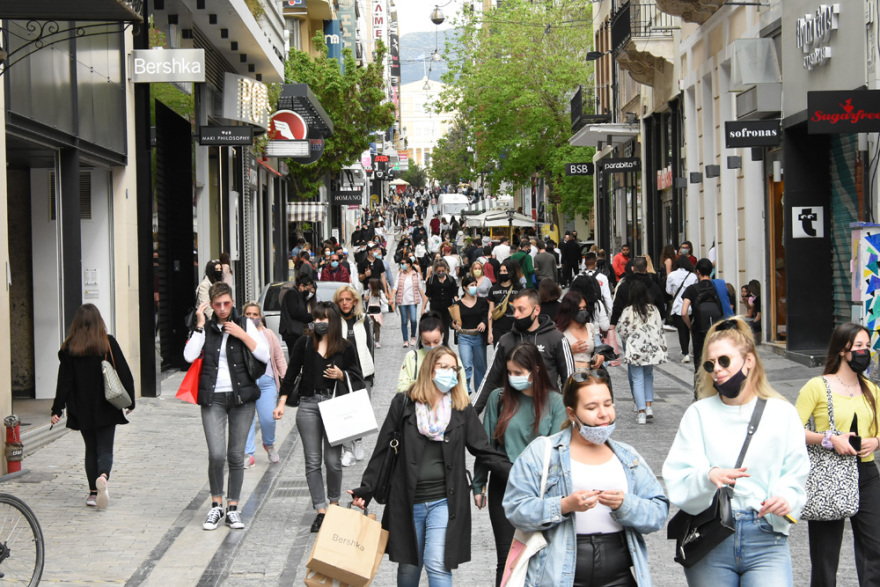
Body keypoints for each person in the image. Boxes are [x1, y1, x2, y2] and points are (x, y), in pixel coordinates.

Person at [663, 318, 809, 586]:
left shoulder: (782, 413)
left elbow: (796, 471)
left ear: (749, 360)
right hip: (711, 537)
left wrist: (785, 497)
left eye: (724, 361)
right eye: (710, 364)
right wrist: (708, 476)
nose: (716, 370)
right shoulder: (699, 414)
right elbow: (679, 476)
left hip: (766, 536)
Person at [349, 346, 511, 587]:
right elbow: (383, 450)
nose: (450, 373)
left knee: (437, 563)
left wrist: (514, 472)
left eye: (453, 368)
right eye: (443, 367)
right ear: (429, 370)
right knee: (408, 567)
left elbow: (483, 448)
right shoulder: (403, 403)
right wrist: (366, 489)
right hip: (407, 499)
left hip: (445, 500)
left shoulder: (461, 407)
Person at [503, 370, 669, 587]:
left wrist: (625, 504)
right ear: (572, 414)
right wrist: (563, 505)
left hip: (620, 573)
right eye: (591, 407)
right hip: (560, 574)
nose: (603, 414)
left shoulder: (628, 456)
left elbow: (658, 512)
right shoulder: (542, 452)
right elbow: (515, 509)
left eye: (608, 404)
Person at [473, 343, 567, 586]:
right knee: (507, 558)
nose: (512, 378)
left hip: (542, 488)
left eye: (518, 372)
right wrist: (478, 484)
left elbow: (558, 449)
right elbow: (487, 446)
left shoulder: (555, 402)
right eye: (510, 373)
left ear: (535, 370)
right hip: (504, 485)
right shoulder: (499, 398)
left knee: (541, 555)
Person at [794, 323, 880, 586]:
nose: (865, 352)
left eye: (867, 346)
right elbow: (789, 430)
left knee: (876, 547)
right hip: (828, 474)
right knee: (825, 556)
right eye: (859, 347)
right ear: (843, 350)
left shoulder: (871, 389)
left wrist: (875, 441)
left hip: (866, 474)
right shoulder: (817, 386)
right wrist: (828, 439)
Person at [183, 282, 270, 531]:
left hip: (242, 399)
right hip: (213, 398)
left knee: (235, 455)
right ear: (210, 305)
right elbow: (189, 356)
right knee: (216, 454)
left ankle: (232, 508)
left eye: (227, 303)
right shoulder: (206, 329)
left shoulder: (244, 324)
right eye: (217, 304)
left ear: (233, 302)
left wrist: (242, 334)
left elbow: (263, 355)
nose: (222, 309)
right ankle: (215, 506)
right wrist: (200, 324)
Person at [273, 302, 363, 533]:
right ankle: (321, 510)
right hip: (308, 405)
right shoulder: (304, 344)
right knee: (312, 461)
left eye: (325, 319)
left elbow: (358, 378)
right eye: (317, 319)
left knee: (333, 462)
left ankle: (334, 505)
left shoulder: (344, 347)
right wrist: (282, 402)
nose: (321, 323)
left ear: (333, 321)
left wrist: (341, 374)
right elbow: (291, 374)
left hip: (334, 406)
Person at [51, 304, 135, 509]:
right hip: (107, 405)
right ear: (99, 321)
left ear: (77, 324)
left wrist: (57, 409)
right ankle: (103, 477)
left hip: (82, 407)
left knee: (91, 448)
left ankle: (92, 493)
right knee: (105, 448)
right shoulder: (107, 343)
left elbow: (64, 381)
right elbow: (123, 371)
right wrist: (130, 400)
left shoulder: (69, 348)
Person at [474, 289, 574, 414]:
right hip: (513, 413)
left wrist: (567, 415)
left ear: (536, 310)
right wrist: (471, 414)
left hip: (548, 412)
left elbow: (569, 380)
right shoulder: (505, 341)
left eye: (521, 309)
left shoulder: (557, 339)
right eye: (514, 309)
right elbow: (490, 380)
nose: (515, 314)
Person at [333, 285, 376, 467]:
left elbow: (369, 346)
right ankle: (346, 449)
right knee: (343, 411)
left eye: (348, 299)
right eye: (341, 300)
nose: (345, 303)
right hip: (341, 373)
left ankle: (357, 442)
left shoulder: (363, 320)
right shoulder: (333, 321)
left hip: (362, 373)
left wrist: (371, 373)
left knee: (361, 410)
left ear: (355, 301)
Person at [242, 302, 287, 467]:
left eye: (255, 314)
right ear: (243, 315)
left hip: (267, 383)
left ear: (260, 316)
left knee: (268, 419)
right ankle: (248, 454)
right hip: (246, 383)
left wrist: (286, 378)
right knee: (246, 420)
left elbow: (278, 358)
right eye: (248, 314)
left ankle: (269, 444)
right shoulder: (240, 333)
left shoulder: (268, 334)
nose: (252, 317)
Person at [617, 281, 667, 424]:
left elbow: (622, 330)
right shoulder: (653, 309)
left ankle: (641, 412)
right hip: (650, 349)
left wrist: (630, 338)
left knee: (637, 379)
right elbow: (659, 327)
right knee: (648, 376)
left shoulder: (628, 311)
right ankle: (649, 406)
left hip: (635, 349)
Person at [680, 258, 725, 373]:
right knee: (717, 361)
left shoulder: (692, 289)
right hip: (717, 329)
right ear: (711, 271)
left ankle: (700, 389)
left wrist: (690, 326)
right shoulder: (719, 287)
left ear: (698, 272)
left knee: (700, 364)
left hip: (699, 330)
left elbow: (684, 312)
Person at [453, 275, 490, 394]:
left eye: (475, 285)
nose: (474, 287)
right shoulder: (458, 304)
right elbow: (453, 321)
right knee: (466, 365)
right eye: (471, 285)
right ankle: (465, 389)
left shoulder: (482, 301)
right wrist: (454, 325)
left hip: (478, 336)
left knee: (480, 366)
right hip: (464, 337)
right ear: (464, 288)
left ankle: (480, 392)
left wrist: (484, 323)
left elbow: (487, 316)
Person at [665, 255, 697, 363]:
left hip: (678, 306)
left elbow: (668, 291)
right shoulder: (693, 276)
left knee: (682, 330)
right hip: (691, 307)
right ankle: (693, 350)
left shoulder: (672, 275)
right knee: (691, 328)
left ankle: (685, 352)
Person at [422, 259, 457, 346]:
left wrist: (457, 307)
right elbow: (427, 295)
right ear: (435, 271)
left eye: (443, 271)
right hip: (435, 308)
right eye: (439, 271)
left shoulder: (451, 280)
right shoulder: (431, 280)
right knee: (436, 327)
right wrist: (423, 307)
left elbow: (455, 295)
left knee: (445, 328)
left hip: (447, 309)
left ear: (446, 269)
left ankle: (445, 344)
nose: (441, 273)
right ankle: (436, 343)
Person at [487, 259, 522, 345]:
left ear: (511, 273)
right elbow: (491, 310)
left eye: (505, 271)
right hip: (498, 328)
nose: (502, 273)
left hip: (515, 328)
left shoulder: (518, 289)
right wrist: (490, 332)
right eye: (501, 271)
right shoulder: (493, 289)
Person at [279, 275, 315, 353]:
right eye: (307, 289)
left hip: (296, 331)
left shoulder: (300, 295)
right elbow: (295, 313)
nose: (308, 291)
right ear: (301, 286)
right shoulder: (292, 294)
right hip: (291, 332)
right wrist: (312, 317)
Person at [394, 256, 423, 348]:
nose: (401, 265)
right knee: (404, 321)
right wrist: (391, 297)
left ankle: (413, 336)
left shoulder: (416, 275)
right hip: (402, 301)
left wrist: (424, 300)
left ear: (409, 264)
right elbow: (395, 287)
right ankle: (405, 340)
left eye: (403, 263)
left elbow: (420, 288)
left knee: (414, 320)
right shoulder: (399, 274)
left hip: (412, 300)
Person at [364, 278, 390, 349]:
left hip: (377, 311)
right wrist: (365, 297)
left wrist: (388, 302)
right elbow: (364, 298)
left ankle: (377, 341)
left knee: (377, 327)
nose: (368, 285)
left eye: (370, 284)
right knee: (371, 327)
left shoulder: (379, 292)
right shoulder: (368, 291)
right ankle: (371, 339)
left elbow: (384, 300)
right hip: (370, 311)